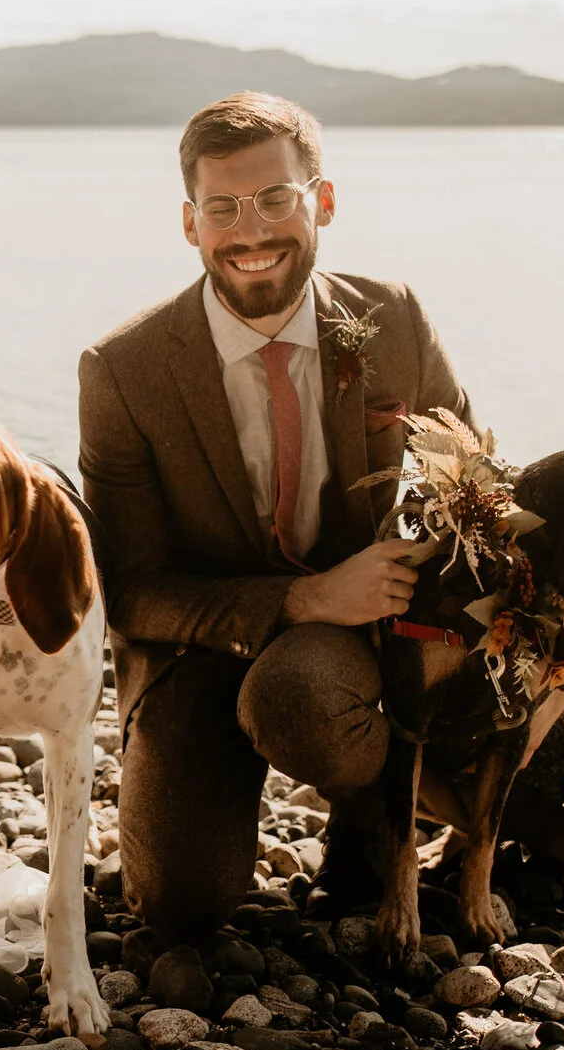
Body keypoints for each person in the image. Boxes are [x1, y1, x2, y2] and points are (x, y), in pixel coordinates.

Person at [77, 92, 478, 948]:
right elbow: (130, 589)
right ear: (190, 223)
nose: (250, 230)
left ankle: (371, 809)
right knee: (180, 906)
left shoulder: (393, 319)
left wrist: (402, 561)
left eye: (274, 198)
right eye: (222, 207)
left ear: (321, 201)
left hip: (341, 647)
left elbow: (471, 476)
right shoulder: (123, 370)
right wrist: (304, 599)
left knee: (300, 701)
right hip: (195, 651)